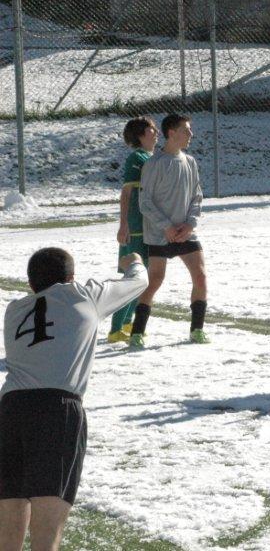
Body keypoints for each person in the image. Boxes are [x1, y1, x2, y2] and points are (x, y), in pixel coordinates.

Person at [1, 248, 147, 551]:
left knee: (7, 522)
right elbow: (138, 281)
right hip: (57, 409)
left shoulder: (14, 310)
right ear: (71, 278)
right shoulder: (83, 295)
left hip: (10, 410)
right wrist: (134, 260)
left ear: (30, 284)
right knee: (46, 531)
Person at [129, 113, 208, 348]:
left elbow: (197, 196)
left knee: (200, 276)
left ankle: (197, 330)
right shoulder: (154, 163)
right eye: (186, 130)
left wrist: (190, 224)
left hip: (186, 232)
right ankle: (137, 332)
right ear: (171, 133)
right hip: (160, 234)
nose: (191, 134)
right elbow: (145, 203)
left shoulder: (190, 162)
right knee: (155, 280)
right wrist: (167, 227)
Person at [108, 116, 158, 344]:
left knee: (143, 276)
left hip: (149, 225)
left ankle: (128, 323)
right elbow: (126, 193)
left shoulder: (151, 157)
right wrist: (124, 224)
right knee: (133, 276)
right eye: (151, 129)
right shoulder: (136, 158)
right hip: (136, 226)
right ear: (140, 135)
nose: (156, 133)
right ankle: (115, 329)